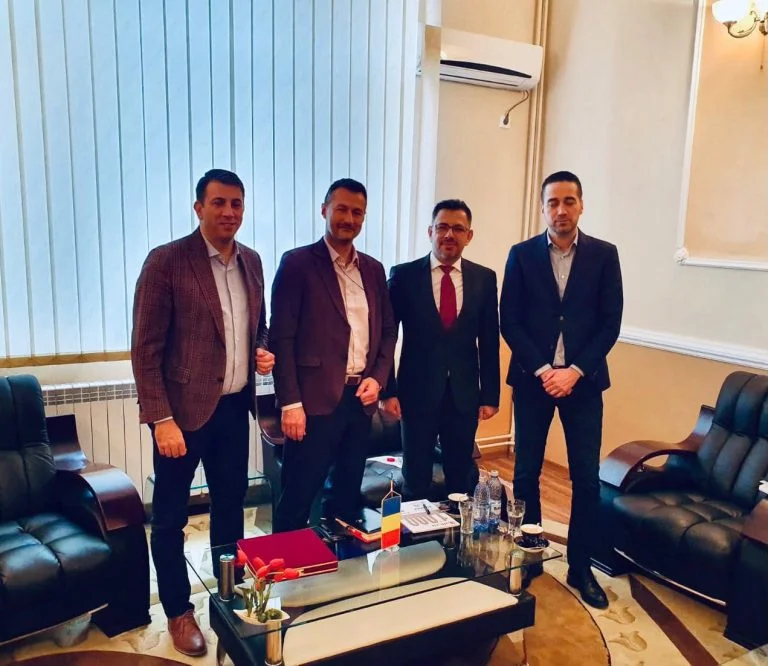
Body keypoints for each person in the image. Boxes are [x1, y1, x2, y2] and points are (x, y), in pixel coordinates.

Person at [131, 169, 274, 656]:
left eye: (236, 203)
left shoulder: (252, 261)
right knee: (170, 518)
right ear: (199, 208)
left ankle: (229, 595)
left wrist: (261, 350)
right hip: (181, 416)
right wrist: (160, 418)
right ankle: (178, 611)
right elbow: (145, 349)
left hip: (234, 408)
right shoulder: (167, 261)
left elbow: (258, 325)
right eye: (219, 203)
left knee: (231, 508)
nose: (229, 212)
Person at [499, 170, 623, 609]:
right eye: (553, 202)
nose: (561, 210)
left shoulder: (604, 255)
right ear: (543, 208)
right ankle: (530, 554)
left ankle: (580, 566)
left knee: (586, 479)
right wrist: (543, 369)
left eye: (569, 201)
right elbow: (510, 320)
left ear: (581, 205)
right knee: (525, 473)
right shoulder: (521, 255)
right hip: (533, 381)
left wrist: (574, 371)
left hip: (584, 384)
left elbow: (610, 322)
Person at [269, 178, 397, 532]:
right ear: (324, 210)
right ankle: (285, 566)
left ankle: (340, 563)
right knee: (297, 499)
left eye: (357, 212)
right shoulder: (297, 264)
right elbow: (281, 337)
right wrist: (290, 403)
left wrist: (378, 379)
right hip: (312, 404)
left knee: (345, 500)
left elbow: (387, 331)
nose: (348, 218)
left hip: (360, 401)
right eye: (341, 209)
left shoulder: (373, 269)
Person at [381, 199, 500, 499]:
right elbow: (387, 337)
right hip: (415, 394)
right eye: (442, 227)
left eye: (458, 229)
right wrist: (388, 390)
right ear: (430, 231)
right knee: (416, 476)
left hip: (464, 395)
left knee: (461, 475)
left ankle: (457, 530)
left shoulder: (484, 279)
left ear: (469, 236)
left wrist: (490, 396)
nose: (449, 234)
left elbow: (489, 340)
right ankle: (415, 531)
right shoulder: (404, 276)